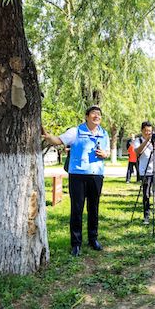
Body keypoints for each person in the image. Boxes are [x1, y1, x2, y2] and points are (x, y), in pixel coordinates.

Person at [42, 105, 110, 255]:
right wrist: (48, 138)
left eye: (99, 114)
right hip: (78, 176)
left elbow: (108, 152)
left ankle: (93, 239)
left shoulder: (104, 134)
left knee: (94, 208)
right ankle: (76, 243)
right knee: (77, 209)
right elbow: (58, 140)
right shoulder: (75, 132)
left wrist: (105, 154)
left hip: (96, 175)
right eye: (93, 114)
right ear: (86, 117)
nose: (97, 116)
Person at [134, 121, 155, 225]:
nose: (148, 133)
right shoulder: (138, 140)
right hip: (145, 171)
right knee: (146, 195)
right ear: (142, 131)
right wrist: (147, 141)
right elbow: (137, 152)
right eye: (146, 131)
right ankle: (146, 216)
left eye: (150, 131)